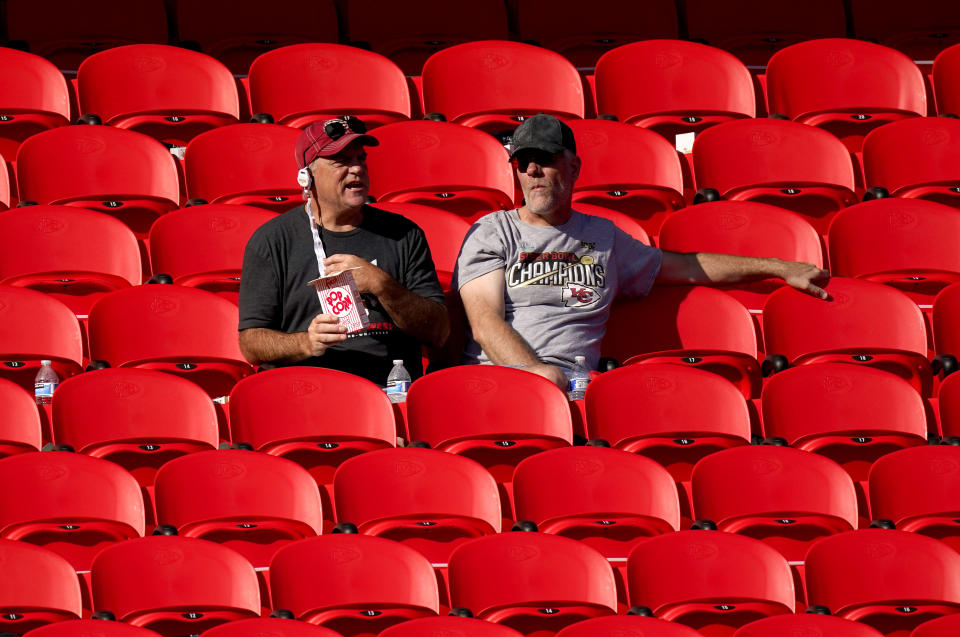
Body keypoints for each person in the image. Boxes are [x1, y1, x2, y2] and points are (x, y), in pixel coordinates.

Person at [453, 114, 828, 391]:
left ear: (574, 166)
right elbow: (485, 323)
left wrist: (777, 267)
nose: (533, 169)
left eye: (546, 159)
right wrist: (538, 375)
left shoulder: (604, 238)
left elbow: (687, 267)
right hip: (500, 381)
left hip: (577, 389)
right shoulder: (493, 231)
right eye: (523, 162)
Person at [238, 116, 449, 385]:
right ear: (307, 177)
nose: (356, 169)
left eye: (360, 159)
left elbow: (438, 332)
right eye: (341, 161)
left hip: (387, 390)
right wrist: (307, 343)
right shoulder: (272, 241)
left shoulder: (404, 234)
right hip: (306, 389)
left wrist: (382, 285)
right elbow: (251, 343)